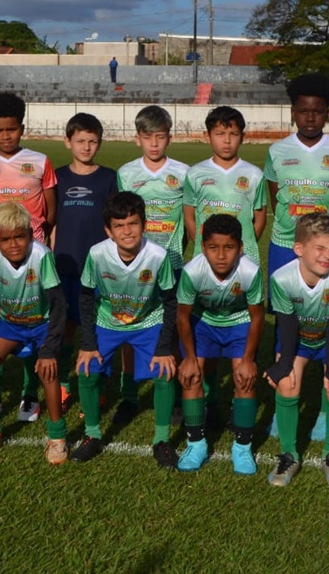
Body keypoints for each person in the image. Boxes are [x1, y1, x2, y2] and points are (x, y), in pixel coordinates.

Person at [263, 72, 329, 442]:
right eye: (303, 111)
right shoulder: (276, 152)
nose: (310, 117)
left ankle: (327, 408)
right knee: (287, 323)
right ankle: (284, 400)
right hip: (286, 246)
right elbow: (275, 199)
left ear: (327, 111)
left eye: (317, 111)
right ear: (293, 113)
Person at [72, 191, 178, 468]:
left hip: (148, 320)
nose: (127, 231)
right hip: (108, 320)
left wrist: (164, 347)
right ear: (108, 231)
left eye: (133, 223)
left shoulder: (158, 255)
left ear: (144, 225)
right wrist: (88, 343)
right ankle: (92, 435)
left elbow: (170, 301)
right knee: (87, 368)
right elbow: (85, 297)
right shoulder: (97, 254)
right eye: (119, 226)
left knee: (164, 370)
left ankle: (162, 440)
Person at [0, 92, 57, 423]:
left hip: (32, 257)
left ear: (22, 127)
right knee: (1, 325)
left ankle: (29, 394)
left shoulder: (40, 161)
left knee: (33, 322)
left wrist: (42, 240)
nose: (6, 136)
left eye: (12, 129)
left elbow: (50, 208)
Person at [183, 105, 268, 429]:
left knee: (242, 326)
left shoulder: (254, 175)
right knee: (204, 326)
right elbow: (190, 216)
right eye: (220, 133)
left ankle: (238, 399)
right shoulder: (196, 173)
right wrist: (204, 248)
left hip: (241, 262)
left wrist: (241, 250)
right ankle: (208, 400)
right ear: (209, 136)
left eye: (233, 134)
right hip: (208, 262)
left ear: (242, 136)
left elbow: (258, 219)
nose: (227, 140)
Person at [0, 203, 67, 461]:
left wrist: (48, 349)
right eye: (5, 239)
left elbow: (58, 306)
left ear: (30, 235)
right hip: (11, 325)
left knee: (48, 371)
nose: (13, 245)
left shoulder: (41, 255)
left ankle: (57, 438)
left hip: (43, 324)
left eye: (20, 237)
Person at [264, 213, 329, 488]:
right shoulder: (281, 278)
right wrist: (284, 364)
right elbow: (287, 325)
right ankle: (289, 455)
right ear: (299, 249)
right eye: (320, 248)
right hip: (299, 339)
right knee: (287, 381)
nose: (327, 256)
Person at [114, 105, 189, 426]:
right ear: (137, 139)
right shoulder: (127, 173)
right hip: (134, 265)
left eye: (160, 137)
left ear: (169, 138)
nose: (154, 144)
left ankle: (174, 395)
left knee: (173, 329)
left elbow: (189, 220)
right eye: (148, 137)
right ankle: (129, 395)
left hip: (172, 263)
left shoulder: (184, 173)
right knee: (130, 326)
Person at [175, 214, 265, 474]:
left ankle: (242, 447)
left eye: (229, 247)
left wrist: (248, 360)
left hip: (239, 323)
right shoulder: (192, 271)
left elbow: (257, 317)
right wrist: (189, 358)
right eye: (214, 247)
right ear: (203, 247)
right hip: (203, 323)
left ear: (241, 248)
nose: (222, 255)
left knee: (244, 378)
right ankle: (196, 444)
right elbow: (182, 316)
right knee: (192, 376)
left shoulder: (250, 271)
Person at [51, 113, 117, 410]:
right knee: (64, 328)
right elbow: (53, 222)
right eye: (80, 141)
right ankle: (64, 386)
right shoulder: (58, 177)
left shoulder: (108, 178)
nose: (86, 147)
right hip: (65, 266)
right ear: (68, 142)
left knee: (97, 329)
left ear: (100, 143)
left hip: (98, 270)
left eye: (92, 141)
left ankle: (97, 385)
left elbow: (114, 224)